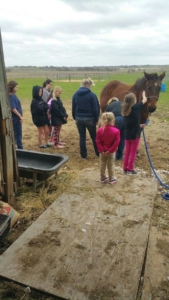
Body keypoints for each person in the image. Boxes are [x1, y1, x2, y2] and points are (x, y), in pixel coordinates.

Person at [72, 77, 100, 159]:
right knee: (94, 137)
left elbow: (73, 107)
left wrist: (75, 117)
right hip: (89, 118)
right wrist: (96, 119)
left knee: (82, 137)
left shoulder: (75, 95)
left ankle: (83, 155)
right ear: (87, 84)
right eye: (90, 85)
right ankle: (98, 153)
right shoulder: (92, 95)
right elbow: (96, 108)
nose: (90, 86)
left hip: (79, 118)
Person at [122, 91, 147, 175]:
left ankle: (125, 168)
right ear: (133, 101)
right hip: (135, 136)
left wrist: (139, 125)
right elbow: (145, 100)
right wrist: (143, 94)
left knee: (127, 152)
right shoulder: (136, 108)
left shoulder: (125, 110)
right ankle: (130, 169)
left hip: (127, 136)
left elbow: (131, 122)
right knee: (133, 152)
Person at [96, 112, 120, 184]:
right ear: (113, 121)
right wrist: (110, 151)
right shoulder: (116, 131)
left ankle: (102, 177)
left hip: (102, 152)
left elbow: (98, 141)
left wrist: (102, 150)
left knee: (102, 163)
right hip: (111, 152)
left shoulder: (100, 130)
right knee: (111, 165)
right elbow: (116, 143)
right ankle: (111, 178)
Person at [8, 80, 23, 149]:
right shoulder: (12, 96)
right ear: (12, 87)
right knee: (18, 134)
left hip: (15, 118)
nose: (17, 88)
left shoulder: (11, 95)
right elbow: (13, 108)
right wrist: (20, 116)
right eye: (16, 87)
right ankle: (20, 149)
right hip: (16, 119)